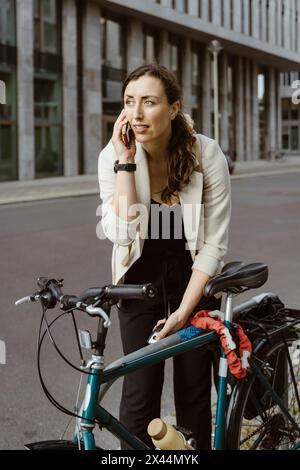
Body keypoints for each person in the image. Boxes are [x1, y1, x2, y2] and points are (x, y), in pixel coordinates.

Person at [98, 64, 231, 450]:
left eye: (149, 102)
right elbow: (120, 234)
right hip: (139, 283)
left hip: (194, 280)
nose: (136, 113)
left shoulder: (206, 154)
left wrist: (184, 311)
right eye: (129, 102)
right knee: (139, 396)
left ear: (173, 108)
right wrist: (125, 162)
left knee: (192, 392)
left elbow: (213, 246)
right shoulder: (113, 155)